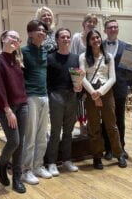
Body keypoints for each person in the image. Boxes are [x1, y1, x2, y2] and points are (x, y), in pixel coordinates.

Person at [79, 30, 127, 169]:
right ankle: (97, 156)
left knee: (112, 126)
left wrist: (100, 91)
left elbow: (113, 78)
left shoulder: (109, 56)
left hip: (106, 91)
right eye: (92, 38)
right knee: (94, 127)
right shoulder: (83, 57)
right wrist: (93, 92)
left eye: (97, 37)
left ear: (101, 39)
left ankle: (119, 154)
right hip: (90, 92)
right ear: (88, 42)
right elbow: (82, 77)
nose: (96, 40)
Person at [0, 30, 27, 193]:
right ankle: (1, 165)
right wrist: (7, 109)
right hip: (6, 107)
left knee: (20, 144)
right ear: (3, 38)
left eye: (18, 39)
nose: (15, 40)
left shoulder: (17, 60)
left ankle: (17, 178)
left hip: (22, 105)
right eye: (12, 37)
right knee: (14, 141)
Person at [102, 19, 132, 160]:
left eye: (115, 27)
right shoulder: (99, 46)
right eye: (110, 27)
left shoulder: (127, 47)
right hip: (104, 87)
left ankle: (121, 148)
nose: (113, 29)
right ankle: (107, 149)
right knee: (106, 119)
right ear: (105, 30)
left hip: (120, 86)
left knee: (120, 119)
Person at [45, 28, 81, 176]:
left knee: (68, 131)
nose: (66, 39)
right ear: (57, 40)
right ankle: (52, 162)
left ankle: (67, 160)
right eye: (63, 37)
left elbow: (78, 78)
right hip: (55, 96)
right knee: (55, 131)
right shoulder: (50, 57)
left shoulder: (76, 58)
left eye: (68, 37)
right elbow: (46, 80)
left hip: (72, 96)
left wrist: (78, 87)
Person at [21, 20, 52, 185]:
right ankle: (26, 170)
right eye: (39, 30)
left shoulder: (46, 51)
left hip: (44, 96)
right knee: (30, 136)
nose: (43, 33)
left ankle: (38, 166)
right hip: (30, 96)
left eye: (44, 31)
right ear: (30, 33)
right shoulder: (23, 51)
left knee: (42, 135)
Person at [70, 14, 98, 135]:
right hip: (79, 74)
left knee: (90, 101)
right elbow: (73, 56)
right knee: (80, 101)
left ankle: (91, 126)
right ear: (84, 23)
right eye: (89, 21)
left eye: (93, 22)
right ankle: (81, 126)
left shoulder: (94, 38)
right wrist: (76, 79)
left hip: (91, 74)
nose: (91, 24)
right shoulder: (77, 37)